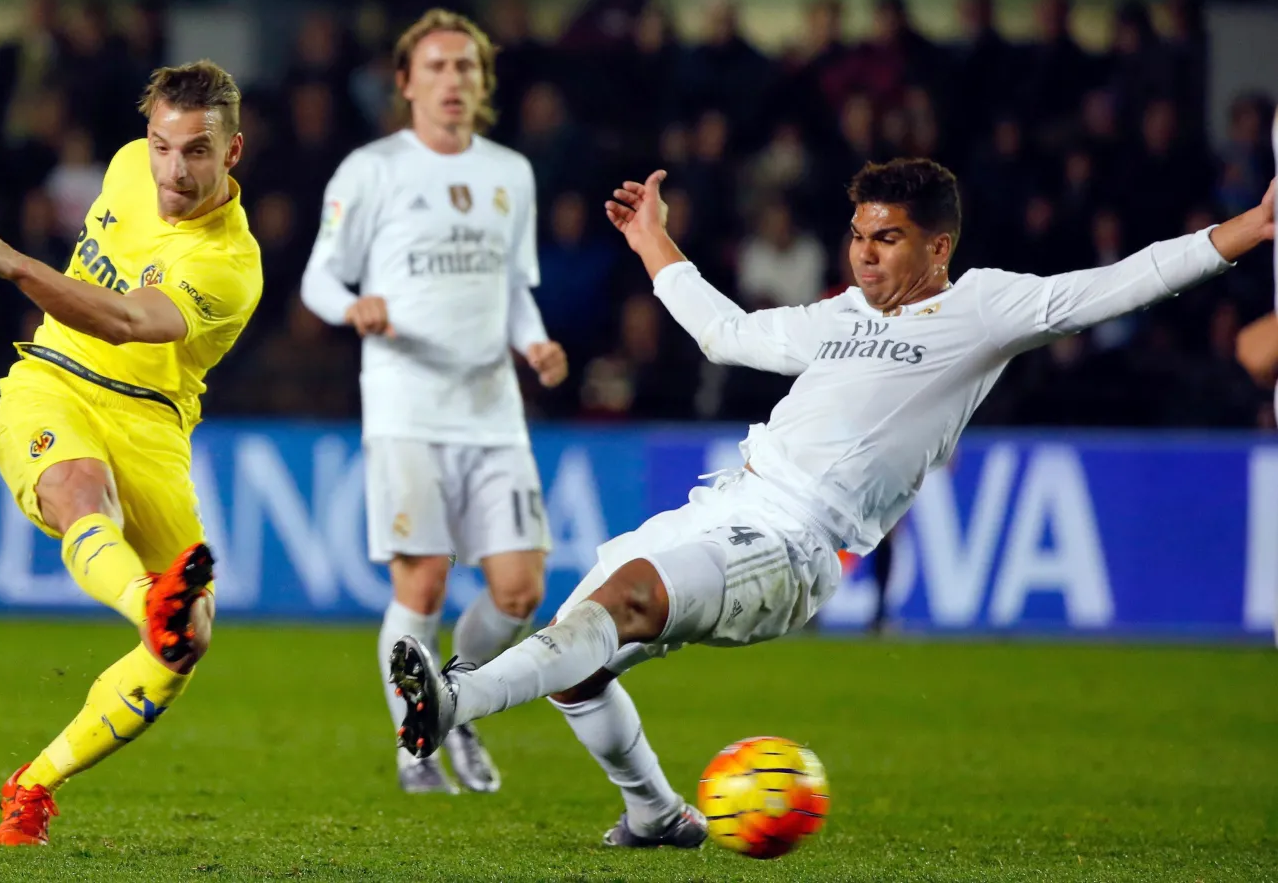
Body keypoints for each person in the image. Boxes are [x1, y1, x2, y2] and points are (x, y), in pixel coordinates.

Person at [389, 158, 1276, 846]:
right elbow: (726, 334)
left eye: (887, 238)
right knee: (575, 654)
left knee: (623, 602)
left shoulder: (985, 309)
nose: (864, 252)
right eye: (858, 234)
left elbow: (1120, 282)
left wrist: (1255, 225)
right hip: (727, 500)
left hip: (797, 543)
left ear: (938, 247)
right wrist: (652, 239)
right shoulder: (842, 314)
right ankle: (654, 812)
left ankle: (457, 699)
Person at [0, 60, 262, 846]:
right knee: (82, 490)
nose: (171, 171)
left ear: (232, 152)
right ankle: (148, 601)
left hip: (152, 424)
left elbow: (124, 320)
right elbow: (91, 322)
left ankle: (32, 784)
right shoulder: (124, 166)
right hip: (54, 380)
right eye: (160, 145)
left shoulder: (227, 265)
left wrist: (20, 266)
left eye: (195, 152)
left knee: (190, 639)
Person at [300, 8, 567, 795]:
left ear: (483, 82)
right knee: (421, 587)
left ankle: (452, 697)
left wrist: (535, 343)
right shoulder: (372, 169)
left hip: (493, 410)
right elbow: (318, 276)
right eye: (437, 67)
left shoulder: (511, 173)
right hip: (405, 408)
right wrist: (352, 306)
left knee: (520, 591)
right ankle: (415, 748)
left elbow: (514, 288)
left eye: (465, 67)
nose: (453, 80)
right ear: (406, 82)